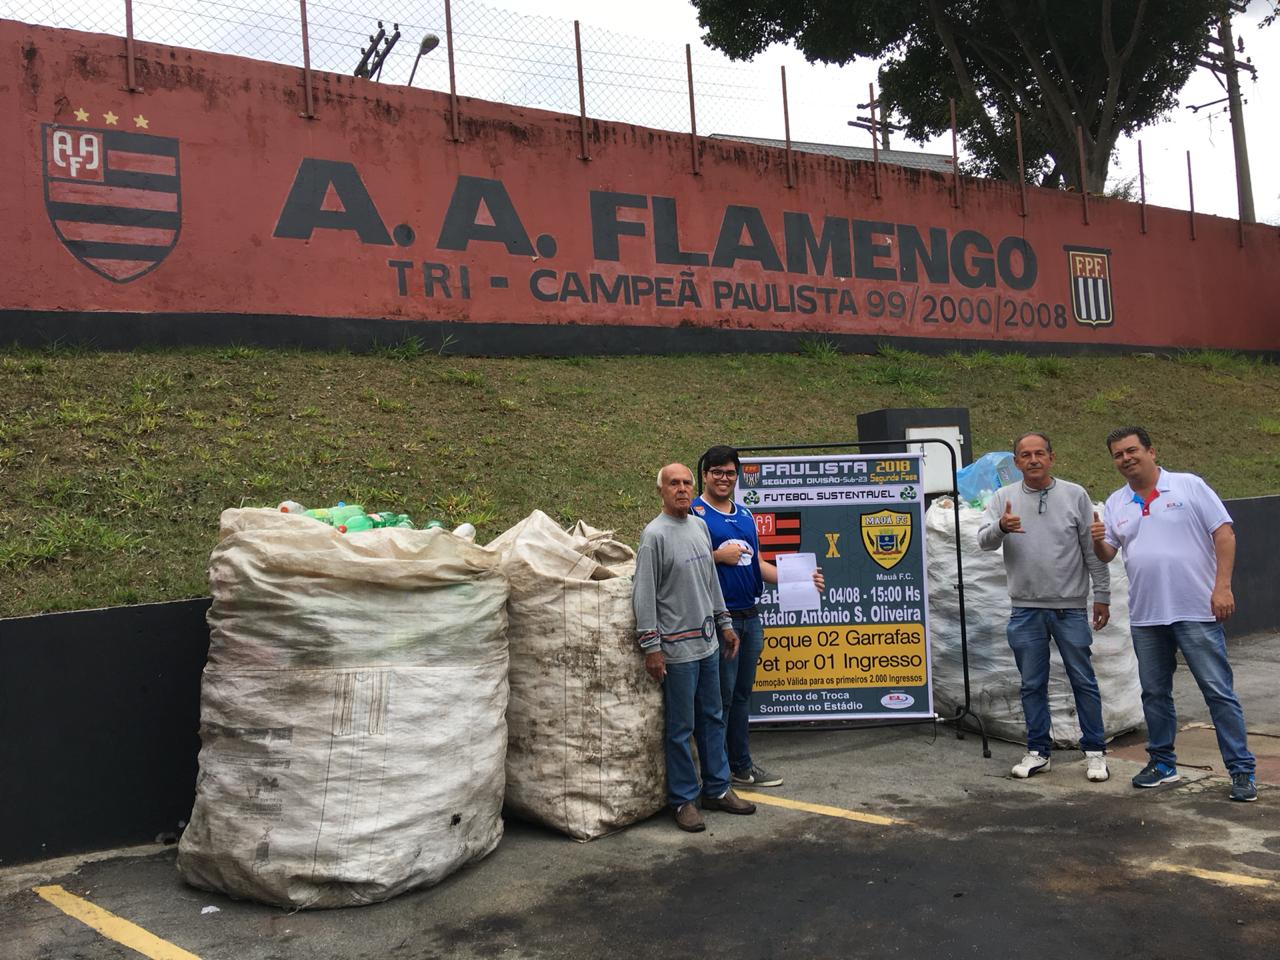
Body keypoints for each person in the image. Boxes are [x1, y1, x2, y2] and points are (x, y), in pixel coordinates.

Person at [1090, 426, 1257, 802]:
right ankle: (1162, 764)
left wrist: (1223, 587)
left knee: (1217, 691)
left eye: (1132, 450)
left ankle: (1241, 770)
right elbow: (1108, 555)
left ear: (1151, 450)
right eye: (1118, 455)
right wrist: (1097, 539)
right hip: (1147, 616)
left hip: (1195, 609)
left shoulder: (1188, 486)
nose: (1126, 459)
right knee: (1154, 693)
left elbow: (1224, 534)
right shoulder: (1117, 502)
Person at [977, 432, 1112, 782]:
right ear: (1016, 461)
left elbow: (1091, 550)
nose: (1033, 460)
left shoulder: (1075, 495)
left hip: (1070, 608)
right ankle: (1038, 751)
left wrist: (1102, 595)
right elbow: (983, 542)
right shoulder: (1003, 498)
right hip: (1025, 610)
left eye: (1040, 453)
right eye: (1026, 455)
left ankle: (1095, 752)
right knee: (1031, 684)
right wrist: (1001, 528)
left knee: (1083, 680)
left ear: (1052, 457)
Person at [633, 462, 758, 832]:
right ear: (661, 491)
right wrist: (651, 647)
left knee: (713, 716)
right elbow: (644, 596)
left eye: (687, 482)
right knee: (681, 726)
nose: (683, 489)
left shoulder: (700, 526)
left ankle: (718, 789)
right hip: (676, 649)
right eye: (674, 483)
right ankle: (684, 799)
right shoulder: (654, 536)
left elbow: (710, 583)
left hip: (707, 645)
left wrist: (724, 624)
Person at [695, 445, 823, 789]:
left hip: (751, 617)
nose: (724, 479)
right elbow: (683, 564)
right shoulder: (694, 513)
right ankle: (715, 774)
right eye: (717, 472)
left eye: (730, 473)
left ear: (737, 477)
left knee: (739, 697)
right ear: (704, 475)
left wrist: (801, 579)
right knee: (717, 701)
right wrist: (717, 556)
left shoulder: (746, 514)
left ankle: (740, 766)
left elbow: (759, 564)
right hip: (719, 620)